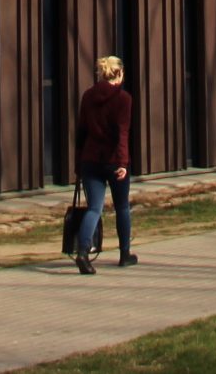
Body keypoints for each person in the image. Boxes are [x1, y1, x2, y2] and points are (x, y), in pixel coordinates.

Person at [70, 54, 135, 274]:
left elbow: (82, 131)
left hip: (90, 159)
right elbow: (122, 133)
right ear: (120, 73)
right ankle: (125, 254)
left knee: (94, 208)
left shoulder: (88, 96)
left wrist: (78, 163)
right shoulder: (124, 99)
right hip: (114, 160)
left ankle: (82, 252)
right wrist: (123, 162)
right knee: (122, 207)